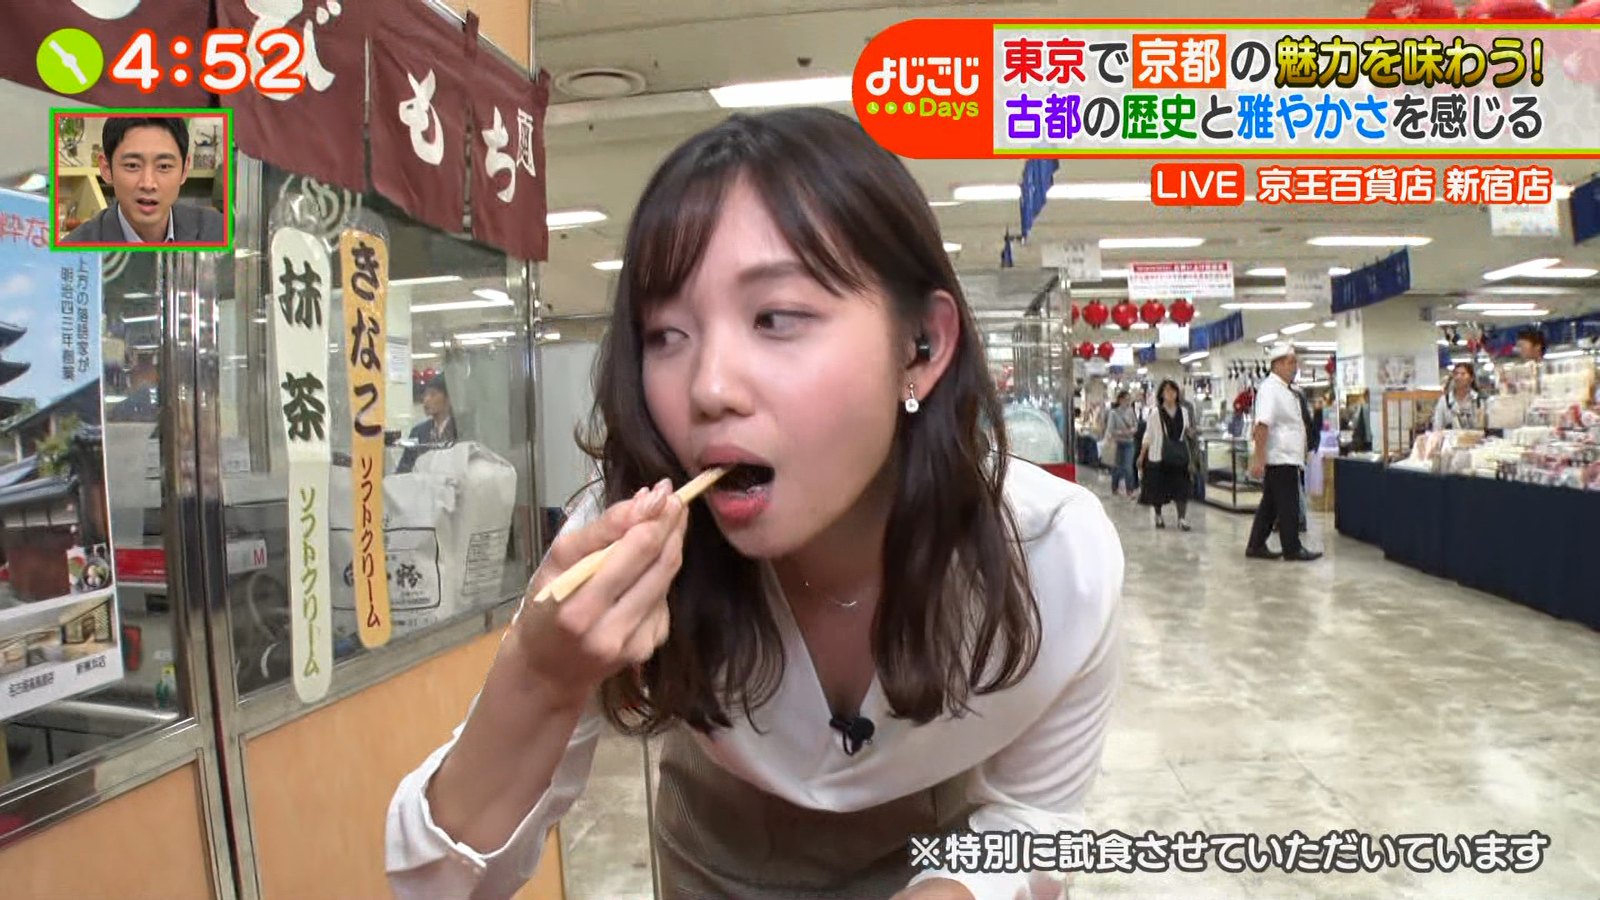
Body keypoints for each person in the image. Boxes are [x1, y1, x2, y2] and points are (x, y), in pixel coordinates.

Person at [384, 108, 1123, 900]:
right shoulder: (623, 541)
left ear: (923, 347)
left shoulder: (1052, 559)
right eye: (665, 335)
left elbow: (1037, 817)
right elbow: (436, 889)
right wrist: (539, 674)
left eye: (775, 318)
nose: (707, 389)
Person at [62, 117, 226, 245]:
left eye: (164, 166)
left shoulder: (218, 231)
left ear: (184, 170)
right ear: (106, 169)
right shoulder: (74, 249)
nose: (148, 184)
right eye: (132, 165)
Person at [1246, 346, 1322, 562]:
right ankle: (1292, 548)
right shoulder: (1270, 389)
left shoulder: (1286, 390)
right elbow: (1262, 425)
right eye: (1291, 363)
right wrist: (1258, 458)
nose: (1295, 367)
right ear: (1277, 364)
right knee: (1289, 504)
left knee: (1270, 504)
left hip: (1288, 456)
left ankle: (1256, 544)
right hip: (1280, 456)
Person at [1136, 379, 1194, 531]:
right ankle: (1158, 515)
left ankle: (1181, 518)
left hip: (1179, 456)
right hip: (1158, 456)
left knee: (1181, 488)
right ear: (1161, 394)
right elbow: (1148, 435)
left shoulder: (1184, 411)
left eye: (1173, 390)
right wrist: (1142, 455)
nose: (1170, 394)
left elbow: (1186, 430)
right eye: (1167, 390)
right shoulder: (1155, 413)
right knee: (1158, 488)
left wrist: (1190, 433)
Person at [397, 375, 458, 473]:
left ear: (448, 398)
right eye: (425, 395)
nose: (426, 400)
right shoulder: (418, 432)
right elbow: (404, 469)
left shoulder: (460, 429)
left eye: (433, 394)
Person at [1103, 390, 1139, 497]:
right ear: (1120, 400)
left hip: (1129, 443)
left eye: (1129, 399)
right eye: (1126, 399)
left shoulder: (1131, 411)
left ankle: (1130, 490)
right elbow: (1110, 429)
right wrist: (1123, 433)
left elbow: (1135, 425)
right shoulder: (1113, 413)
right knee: (1117, 467)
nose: (1127, 402)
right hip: (1117, 443)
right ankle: (1115, 488)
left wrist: (1133, 430)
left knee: (1128, 467)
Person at [1431, 363, 1486, 431]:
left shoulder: (1479, 400)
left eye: (1463, 374)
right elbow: (1437, 427)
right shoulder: (1444, 400)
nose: (1458, 377)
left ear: (1471, 378)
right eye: (1456, 374)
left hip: (1475, 437)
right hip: (1450, 437)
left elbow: (1484, 426)